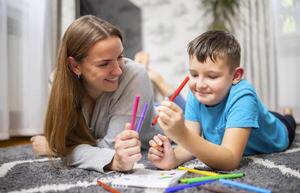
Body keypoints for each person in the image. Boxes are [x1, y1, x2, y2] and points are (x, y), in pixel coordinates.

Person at [148, 30, 296, 171]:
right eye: (194, 74)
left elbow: (230, 160)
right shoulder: (197, 94)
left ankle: (289, 114)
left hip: (279, 130)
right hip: (247, 116)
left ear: (236, 75)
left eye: (212, 76)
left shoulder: (244, 97)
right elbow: (189, 145)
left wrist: (181, 134)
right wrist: (173, 158)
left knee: (288, 121)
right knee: (259, 114)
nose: (199, 84)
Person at [31, 15, 158, 172]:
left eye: (120, 57)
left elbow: (112, 149)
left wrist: (57, 148)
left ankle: (152, 73)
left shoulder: (135, 75)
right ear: (75, 66)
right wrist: (68, 146)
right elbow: (69, 140)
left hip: (152, 132)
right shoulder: (58, 80)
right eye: (104, 64)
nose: (118, 70)